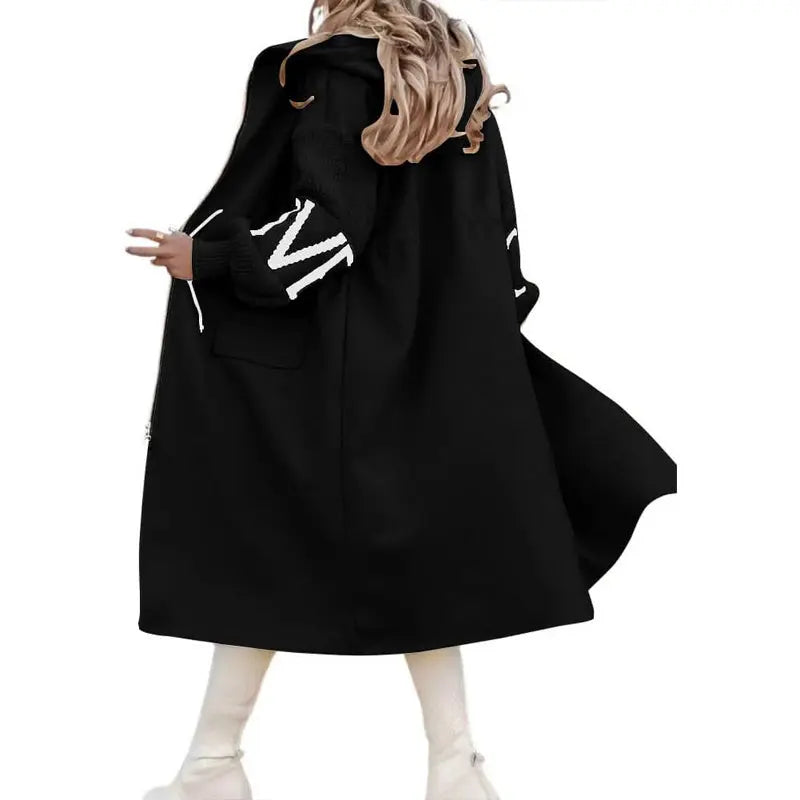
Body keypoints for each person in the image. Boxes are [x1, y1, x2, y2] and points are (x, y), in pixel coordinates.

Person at [125, 2, 677, 798]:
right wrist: (479, 349)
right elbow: (502, 241)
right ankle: (451, 770)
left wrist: (209, 259)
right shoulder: (457, 79)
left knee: (258, 544)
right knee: (423, 567)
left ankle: (214, 766)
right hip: (438, 359)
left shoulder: (333, 74)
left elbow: (328, 233)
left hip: (327, 366)